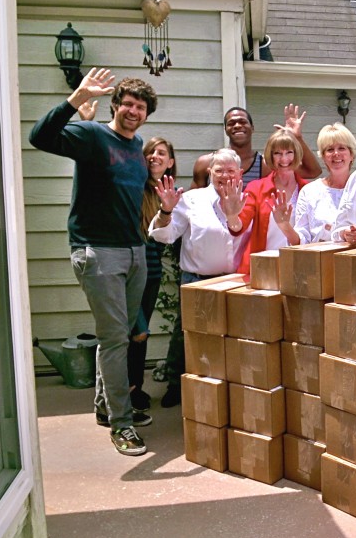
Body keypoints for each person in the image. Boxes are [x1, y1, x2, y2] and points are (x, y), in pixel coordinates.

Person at [29, 68, 157, 456]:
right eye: (128, 104)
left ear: (147, 114)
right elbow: (40, 137)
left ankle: (106, 406)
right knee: (116, 337)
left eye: (141, 107)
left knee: (115, 336)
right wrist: (76, 98)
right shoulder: (91, 135)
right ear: (116, 106)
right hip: (97, 252)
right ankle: (122, 424)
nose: (134, 111)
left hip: (134, 251)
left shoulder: (137, 148)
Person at [127, 137, 176, 411]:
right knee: (135, 330)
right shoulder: (134, 188)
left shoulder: (168, 193)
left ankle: (136, 388)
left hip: (153, 268)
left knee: (141, 331)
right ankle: (129, 389)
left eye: (161, 153)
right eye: (149, 152)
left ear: (170, 162)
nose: (154, 156)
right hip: (130, 267)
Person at [149, 148, 249, 281]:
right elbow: (165, 236)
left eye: (231, 171)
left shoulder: (249, 202)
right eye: (219, 170)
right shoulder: (191, 199)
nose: (225, 176)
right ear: (210, 172)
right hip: (198, 283)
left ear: (240, 173)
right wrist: (165, 211)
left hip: (239, 284)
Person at [232, 130, 308, 271]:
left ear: (296, 154)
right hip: (263, 268)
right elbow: (239, 226)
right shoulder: (256, 188)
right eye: (277, 153)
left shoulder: (308, 190)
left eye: (289, 152)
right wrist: (231, 217)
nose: (284, 159)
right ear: (270, 156)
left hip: (299, 268)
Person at [191, 105, 321, 188]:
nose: (237, 125)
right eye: (232, 123)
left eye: (242, 122)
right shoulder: (206, 163)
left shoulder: (266, 164)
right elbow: (191, 204)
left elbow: (313, 171)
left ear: (252, 128)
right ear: (225, 129)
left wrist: (297, 138)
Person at [279, 123, 356, 245]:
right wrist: (284, 226)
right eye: (330, 149)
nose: (336, 153)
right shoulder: (310, 192)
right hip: (319, 261)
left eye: (342, 148)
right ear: (323, 157)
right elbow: (301, 240)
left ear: (352, 154)